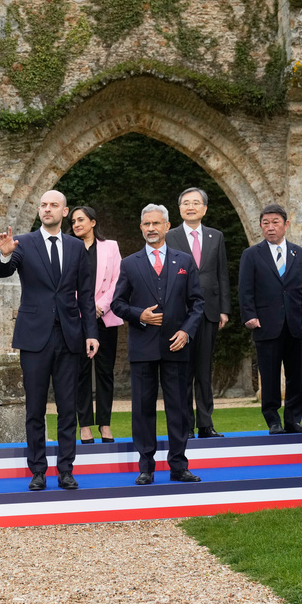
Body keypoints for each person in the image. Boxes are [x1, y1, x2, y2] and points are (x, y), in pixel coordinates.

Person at [0, 191, 99, 492]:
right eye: (43, 205)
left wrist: (91, 333)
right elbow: (3, 271)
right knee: (35, 409)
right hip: (34, 337)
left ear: (65, 211)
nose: (47, 209)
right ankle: (37, 471)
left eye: (54, 205)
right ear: (39, 210)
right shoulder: (23, 243)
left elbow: (87, 295)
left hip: (69, 336)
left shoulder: (77, 247)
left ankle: (66, 470)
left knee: (68, 408)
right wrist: (4, 254)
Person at [111, 204, 204, 485]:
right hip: (143, 348)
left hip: (176, 346)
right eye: (146, 224)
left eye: (156, 223)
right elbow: (117, 303)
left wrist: (187, 332)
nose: (151, 228)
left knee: (178, 408)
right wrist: (139, 315)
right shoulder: (129, 263)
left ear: (166, 226)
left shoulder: (185, 261)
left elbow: (198, 303)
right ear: (141, 228)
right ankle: (146, 467)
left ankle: (179, 465)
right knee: (142, 409)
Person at [238, 204, 302, 435]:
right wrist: (249, 315)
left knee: (296, 376)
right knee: (269, 377)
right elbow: (245, 289)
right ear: (260, 226)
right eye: (265, 223)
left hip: (295, 324)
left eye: (275, 222)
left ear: (286, 225)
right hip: (265, 324)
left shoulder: (301, 254)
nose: (270, 227)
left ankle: (293, 420)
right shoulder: (251, 254)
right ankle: (273, 421)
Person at [165, 187, 229, 438]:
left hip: (209, 313)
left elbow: (221, 274)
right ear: (179, 208)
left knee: (204, 370)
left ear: (204, 208)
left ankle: (205, 424)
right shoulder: (170, 236)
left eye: (196, 203)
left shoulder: (216, 236)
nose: (191, 207)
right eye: (186, 203)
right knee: (183, 371)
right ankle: (185, 425)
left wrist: (224, 309)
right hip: (180, 314)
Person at [70, 205, 123, 444]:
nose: (76, 224)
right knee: (80, 374)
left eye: (81, 219)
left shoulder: (110, 246)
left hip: (106, 317)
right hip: (79, 319)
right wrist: (87, 309)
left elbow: (117, 280)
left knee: (105, 373)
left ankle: (105, 424)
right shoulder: (69, 248)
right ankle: (85, 426)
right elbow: (65, 285)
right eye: (73, 222)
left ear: (93, 222)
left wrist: (101, 306)